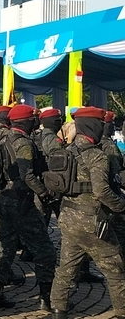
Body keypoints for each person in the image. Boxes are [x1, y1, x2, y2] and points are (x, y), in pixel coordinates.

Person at [49, 106, 125, 319]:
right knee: (116, 268)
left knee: (66, 267)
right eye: (100, 124)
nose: (103, 127)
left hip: (68, 218)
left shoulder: (68, 151)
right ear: (93, 126)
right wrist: (121, 206)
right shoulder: (96, 156)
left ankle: (58, 310)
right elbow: (102, 191)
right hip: (91, 221)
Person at [0, 104, 56, 311]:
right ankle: (46, 298)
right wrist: (44, 193)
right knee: (45, 251)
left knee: (4, 247)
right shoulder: (24, 143)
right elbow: (27, 175)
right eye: (33, 118)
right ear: (26, 121)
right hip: (21, 200)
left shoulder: (3, 138)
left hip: (3, 197)